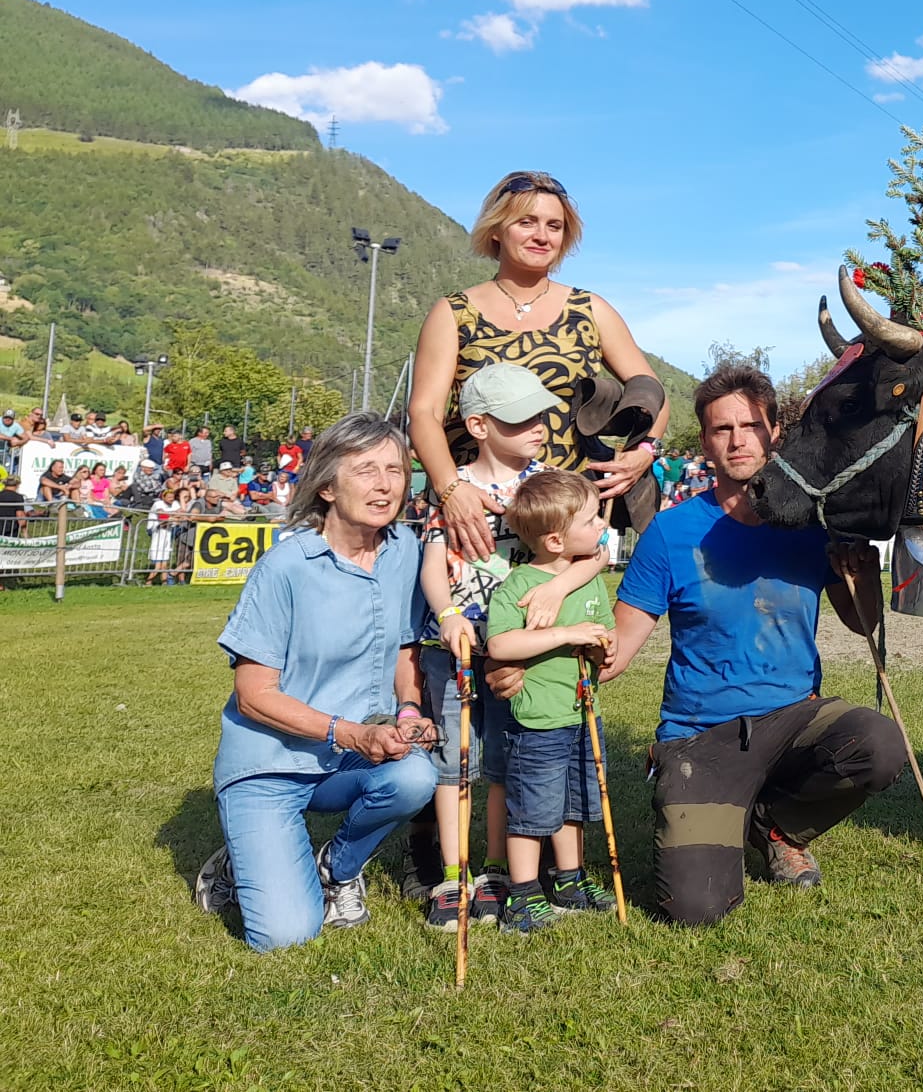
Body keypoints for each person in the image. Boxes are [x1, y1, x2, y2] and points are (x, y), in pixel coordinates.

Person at [589, 363, 903, 927]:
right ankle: (722, 806)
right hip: (701, 736)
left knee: (879, 744)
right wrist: (555, 643)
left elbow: (862, 624)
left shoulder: (815, 528)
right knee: (695, 909)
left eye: (751, 426)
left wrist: (862, 576)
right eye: (721, 430)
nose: (738, 441)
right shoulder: (671, 532)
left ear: (775, 431)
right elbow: (617, 647)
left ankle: (778, 826)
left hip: (794, 719)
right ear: (705, 441)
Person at [193, 413, 435, 952]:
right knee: (285, 936)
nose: (385, 484)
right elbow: (253, 696)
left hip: (349, 758)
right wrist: (353, 734)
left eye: (395, 470)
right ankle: (239, 856)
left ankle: (338, 867)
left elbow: (403, 647)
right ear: (326, 486)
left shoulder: (405, 554)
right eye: (366, 469)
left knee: (416, 778)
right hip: (271, 763)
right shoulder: (286, 566)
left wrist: (410, 713)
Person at [409, 171, 662, 564]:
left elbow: (651, 393)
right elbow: (424, 412)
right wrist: (449, 489)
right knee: (467, 621)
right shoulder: (454, 314)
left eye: (554, 226)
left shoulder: (590, 310)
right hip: (476, 515)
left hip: (565, 521)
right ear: (497, 229)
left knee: (563, 624)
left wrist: (643, 452)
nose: (542, 236)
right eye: (526, 222)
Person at [410, 362, 559, 930]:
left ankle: (497, 869)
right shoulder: (450, 489)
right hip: (453, 649)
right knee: (455, 762)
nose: (537, 428)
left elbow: (579, 552)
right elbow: (432, 562)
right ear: (478, 425)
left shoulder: (548, 484)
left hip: (519, 651)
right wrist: (447, 612)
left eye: (540, 415)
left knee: (501, 761)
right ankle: (453, 875)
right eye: (520, 420)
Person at [484, 471, 619, 933]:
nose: (601, 524)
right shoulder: (519, 584)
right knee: (532, 807)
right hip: (538, 720)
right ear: (558, 539)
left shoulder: (591, 582)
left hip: (582, 714)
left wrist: (605, 646)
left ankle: (569, 880)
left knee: (573, 804)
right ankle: (522, 895)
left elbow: (605, 632)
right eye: (591, 518)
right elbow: (500, 645)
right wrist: (566, 635)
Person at [146, 487, 177, 583]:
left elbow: (181, 512)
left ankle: (164, 582)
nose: (171, 499)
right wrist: (173, 516)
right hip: (158, 534)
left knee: (164, 564)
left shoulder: (174, 504)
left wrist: (174, 516)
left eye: (172, 497)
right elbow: (162, 515)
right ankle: (148, 582)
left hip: (167, 536)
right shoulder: (158, 504)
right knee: (158, 566)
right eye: (169, 497)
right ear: (163, 497)